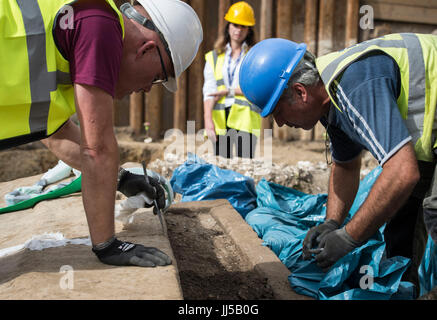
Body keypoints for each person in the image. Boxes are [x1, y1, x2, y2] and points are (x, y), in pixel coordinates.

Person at [0, 0, 202, 268]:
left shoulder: (73, 39)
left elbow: (56, 134)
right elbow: (96, 148)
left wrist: (120, 178)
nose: (146, 89)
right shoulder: (99, 24)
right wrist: (108, 245)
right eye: (156, 78)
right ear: (147, 49)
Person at [239, 33, 437, 296]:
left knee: (433, 209)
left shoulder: (355, 85)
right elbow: (346, 165)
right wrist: (332, 222)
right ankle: (407, 290)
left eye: (277, 112)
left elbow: (402, 172)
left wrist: (349, 237)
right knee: (402, 217)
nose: (280, 123)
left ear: (300, 92)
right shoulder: (330, 98)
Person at [203, 1, 260, 159]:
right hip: (220, 120)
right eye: (235, 25)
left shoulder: (255, 56)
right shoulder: (213, 57)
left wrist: (229, 91)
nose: (238, 30)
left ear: (249, 30)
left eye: (243, 26)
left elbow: (257, 89)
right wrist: (208, 121)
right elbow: (208, 92)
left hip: (245, 121)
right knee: (221, 168)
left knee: (245, 168)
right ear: (228, 26)